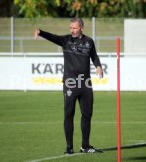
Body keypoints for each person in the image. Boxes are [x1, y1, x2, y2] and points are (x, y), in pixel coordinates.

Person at [34, 18, 103, 154]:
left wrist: (98, 66)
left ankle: (85, 146)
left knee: (87, 114)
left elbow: (94, 56)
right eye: (70, 27)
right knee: (69, 115)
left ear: (81, 27)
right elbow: (53, 37)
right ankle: (69, 147)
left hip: (85, 83)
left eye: (75, 28)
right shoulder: (66, 41)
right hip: (70, 83)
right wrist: (40, 32)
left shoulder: (89, 41)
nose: (72, 30)